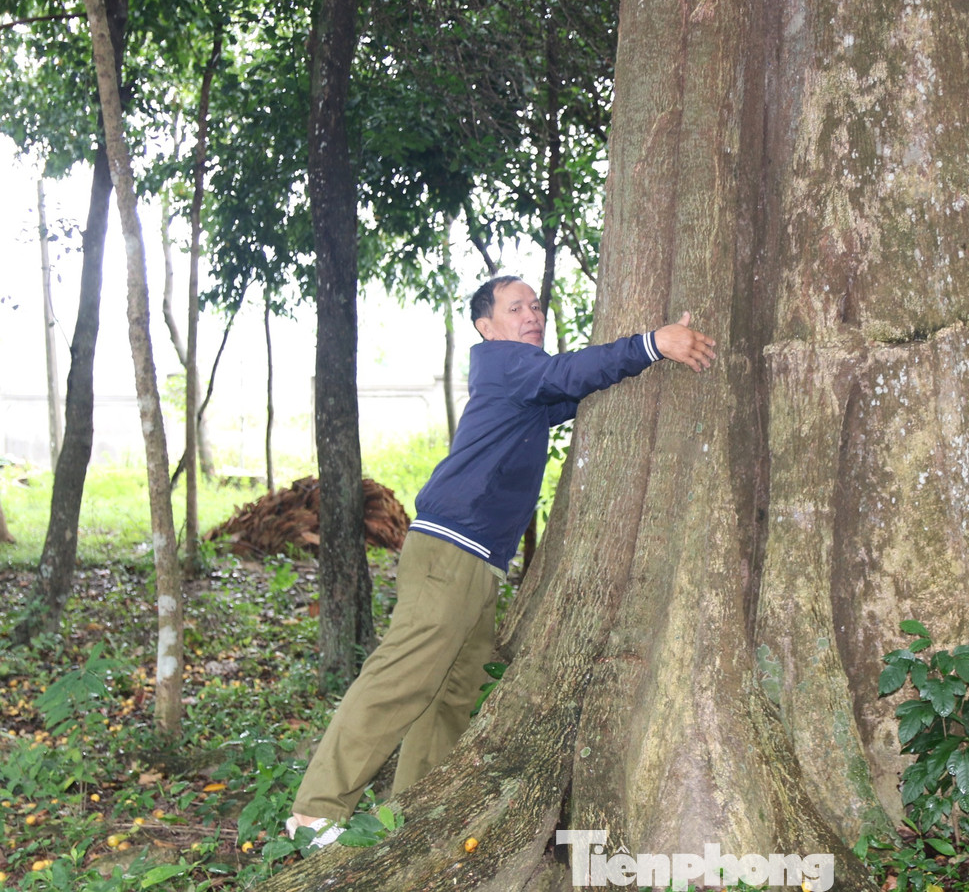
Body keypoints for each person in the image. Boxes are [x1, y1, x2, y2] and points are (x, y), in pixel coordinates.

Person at [286, 276, 715, 847]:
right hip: (448, 549)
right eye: (516, 307)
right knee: (401, 680)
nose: (532, 315)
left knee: (449, 695)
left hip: (478, 563)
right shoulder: (504, 365)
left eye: (536, 306)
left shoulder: (524, 388)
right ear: (487, 326)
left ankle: (407, 816)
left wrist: (644, 360)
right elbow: (568, 374)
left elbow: (576, 387)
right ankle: (314, 812)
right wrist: (651, 343)